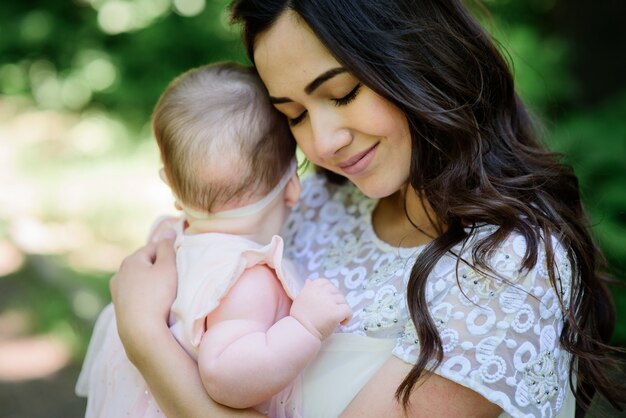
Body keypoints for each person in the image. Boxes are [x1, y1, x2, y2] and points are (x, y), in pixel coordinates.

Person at [108, 1, 626, 417]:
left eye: (343, 92)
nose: (324, 143)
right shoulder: (316, 204)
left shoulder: (508, 268)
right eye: (294, 116)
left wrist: (146, 339)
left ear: (416, 55)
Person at [76, 62, 352, 418]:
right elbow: (224, 374)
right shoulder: (246, 278)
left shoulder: (168, 238)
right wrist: (305, 327)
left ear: (174, 193)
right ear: (292, 188)